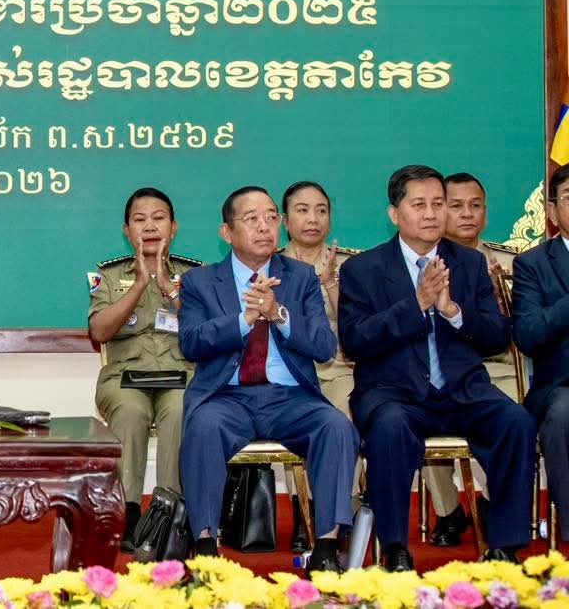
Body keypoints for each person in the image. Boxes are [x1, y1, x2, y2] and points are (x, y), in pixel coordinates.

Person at [338, 164, 535, 569]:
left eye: (438, 204)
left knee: (516, 421)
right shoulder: (363, 269)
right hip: (395, 393)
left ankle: (505, 546)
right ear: (395, 213)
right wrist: (417, 305)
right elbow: (355, 341)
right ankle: (395, 546)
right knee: (390, 427)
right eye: (419, 205)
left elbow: (497, 337)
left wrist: (453, 312)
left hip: (463, 390)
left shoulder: (469, 264)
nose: (431, 214)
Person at [178, 186, 356, 573]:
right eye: (251, 218)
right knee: (203, 426)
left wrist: (278, 315)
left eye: (271, 217)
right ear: (226, 232)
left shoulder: (301, 278)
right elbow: (191, 343)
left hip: (291, 398)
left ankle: (327, 547)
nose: (264, 226)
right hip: (228, 397)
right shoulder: (201, 282)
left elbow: (324, 347)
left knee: (336, 427)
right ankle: (205, 544)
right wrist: (244, 320)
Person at [89, 187, 200, 549]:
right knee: (131, 411)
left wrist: (168, 287)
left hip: (181, 375)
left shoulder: (196, 275)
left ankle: (169, 513)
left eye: (159, 218)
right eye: (140, 220)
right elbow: (100, 331)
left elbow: (206, 328)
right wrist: (139, 285)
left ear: (174, 227)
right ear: (127, 230)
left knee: (180, 410)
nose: (150, 226)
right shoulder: (108, 276)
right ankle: (128, 511)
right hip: (125, 378)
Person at [422, 172, 520, 546]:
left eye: (475, 206)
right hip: (446, 366)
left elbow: (520, 331)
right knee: (420, 402)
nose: (467, 214)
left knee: (508, 412)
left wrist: (501, 299)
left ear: (486, 212)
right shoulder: (424, 261)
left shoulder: (511, 261)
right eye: (456, 205)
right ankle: (448, 511)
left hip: (501, 366)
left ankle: (495, 504)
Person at [278, 180, 360, 550]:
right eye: (303, 210)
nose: (313, 219)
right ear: (285, 220)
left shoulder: (352, 266)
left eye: (321, 211)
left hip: (339, 368)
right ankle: (306, 512)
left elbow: (357, 329)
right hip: (291, 372)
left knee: (343, 418)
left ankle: (341, 512)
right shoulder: (270, 264)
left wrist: (330, 285)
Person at [512, 162, 569, 543]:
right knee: (565, 412)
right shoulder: (532, 264)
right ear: (551, 211)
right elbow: (529, 335)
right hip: (559, 386)